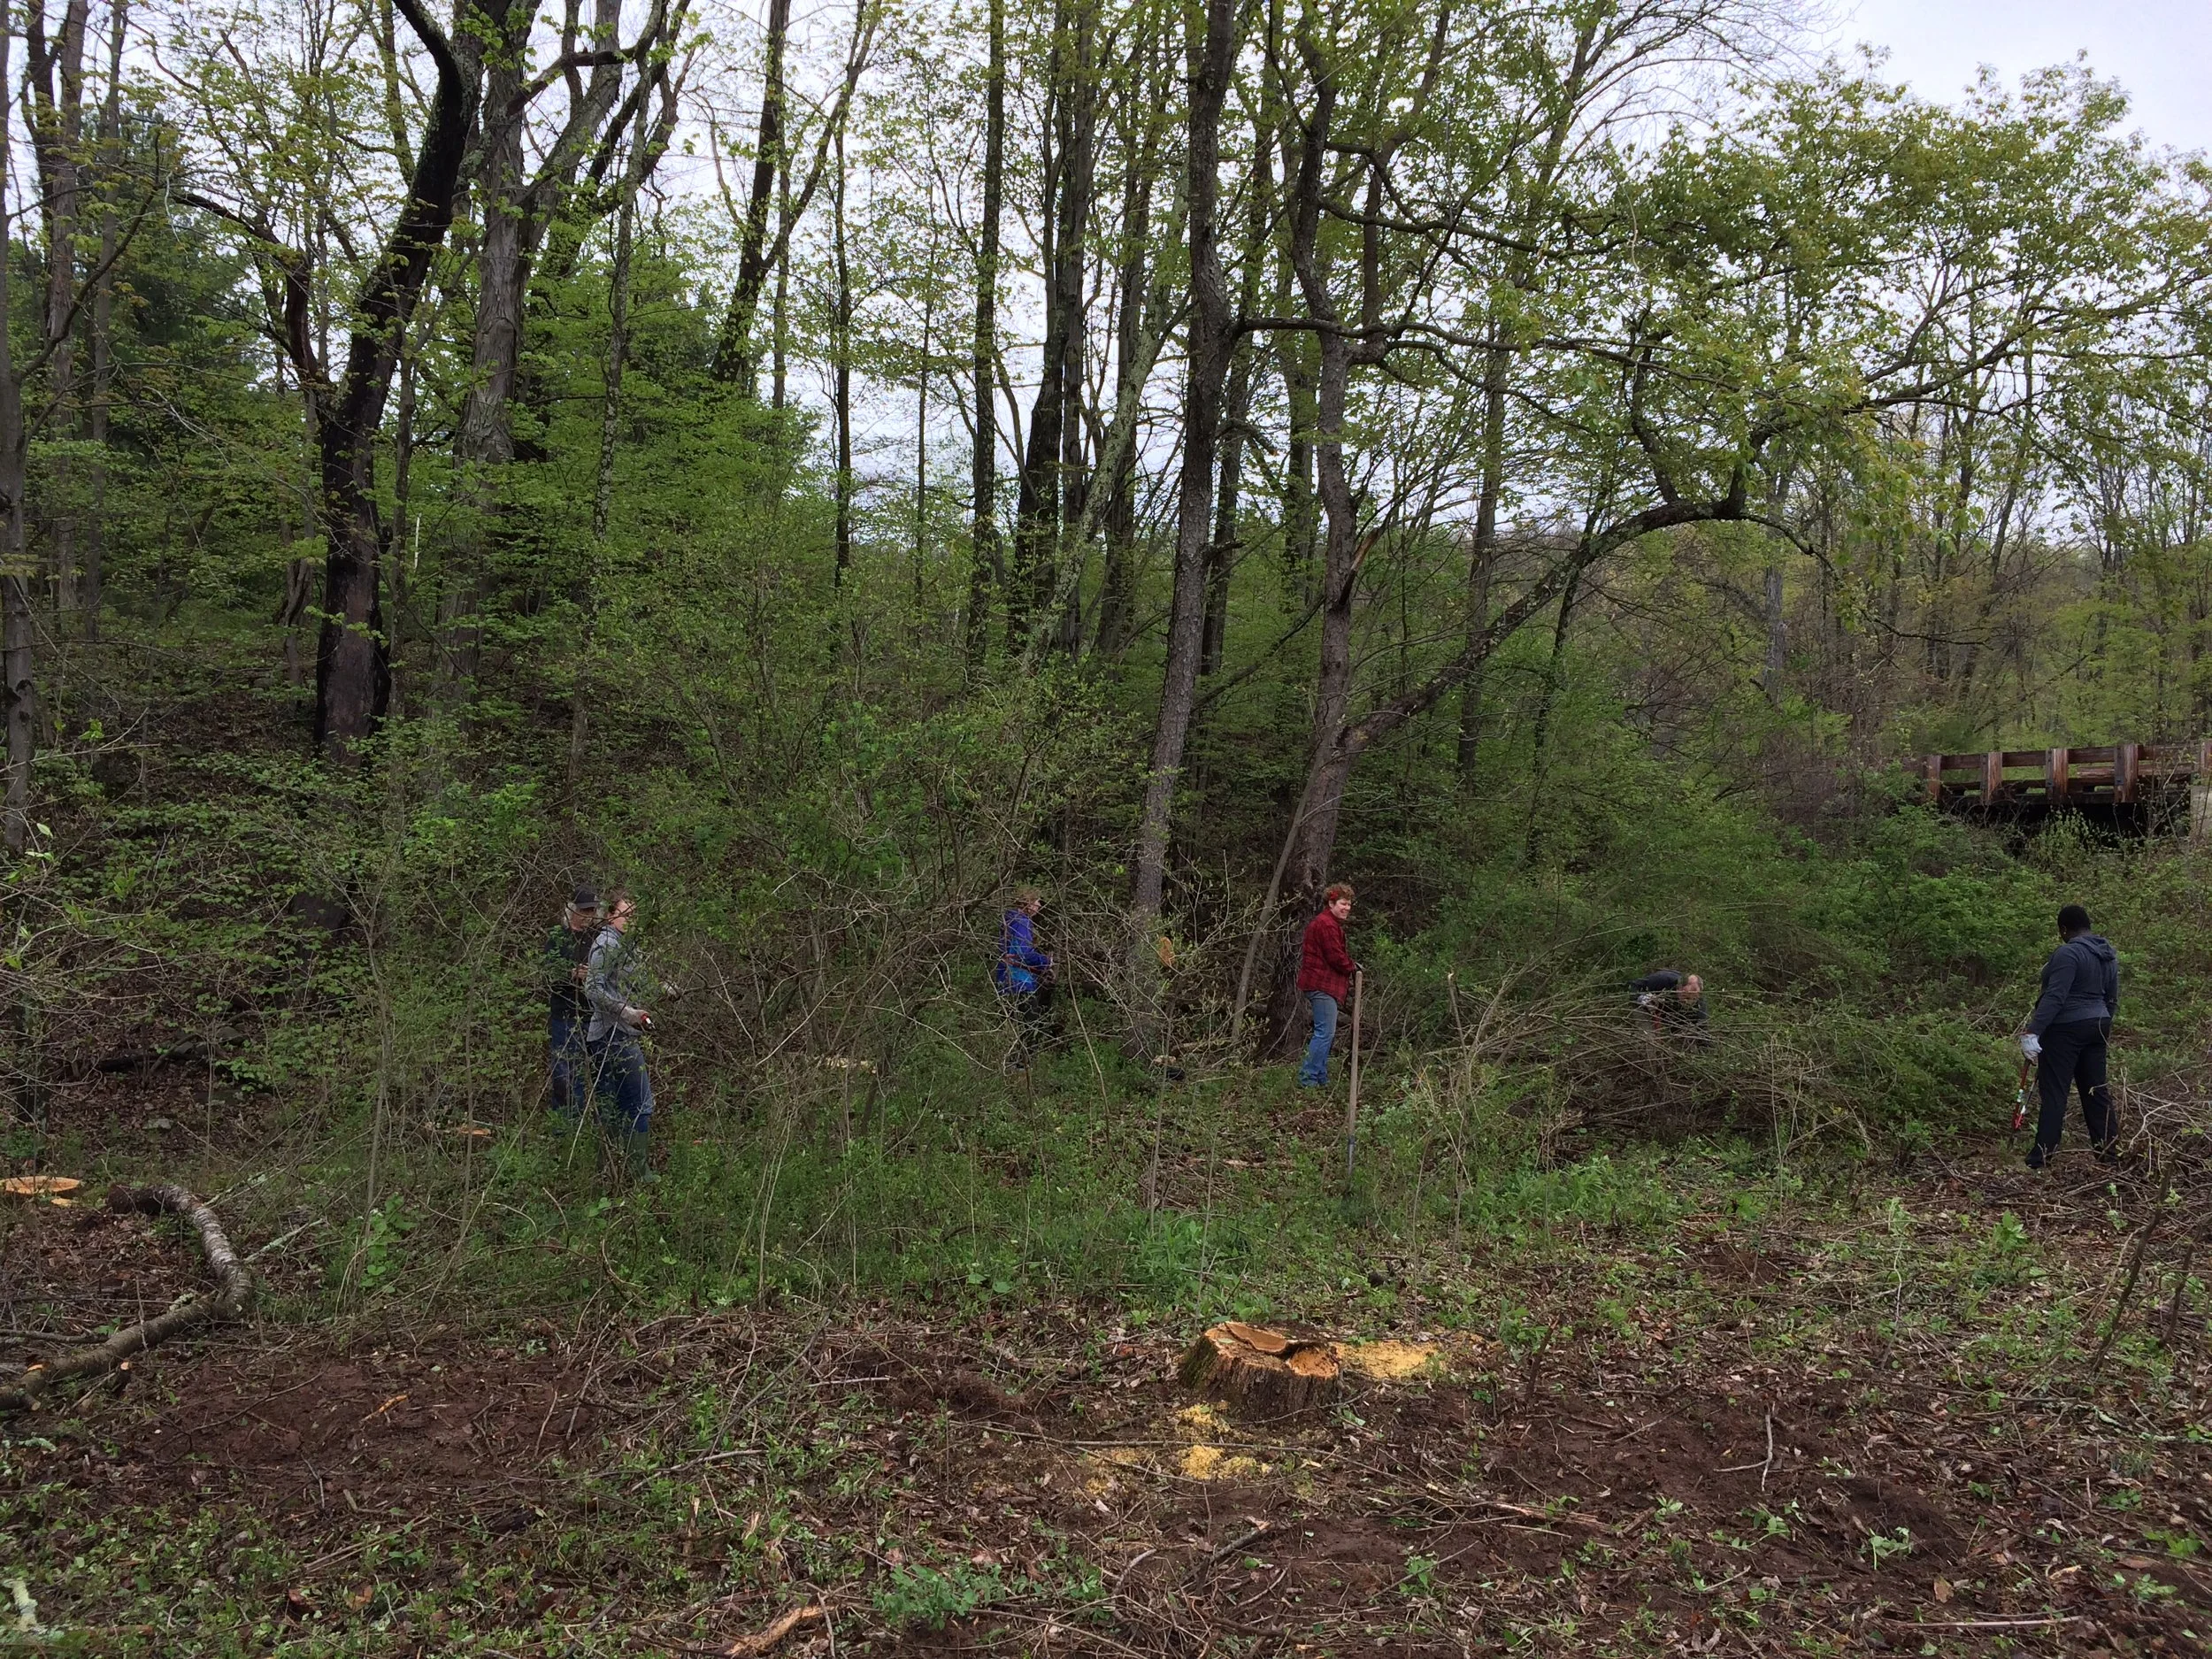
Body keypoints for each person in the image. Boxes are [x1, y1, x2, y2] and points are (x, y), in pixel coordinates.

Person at [2020, 902, 2120, 1169]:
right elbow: (2112, 998)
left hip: (2065, 1028)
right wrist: (2102, 1021)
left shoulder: (2068, 953)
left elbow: (2055, 996)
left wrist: (2033, 1031)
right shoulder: (2107, 954)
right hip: (2098, 1025)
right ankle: (2108, 1153)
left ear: (2064, 929)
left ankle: (2040, 1159)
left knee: (2055, 1092)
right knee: (2096, 1091)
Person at [583, 889, 658, 1182]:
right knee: (640, 1100)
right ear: (611, 915)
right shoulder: (605, 945)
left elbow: (636, 985)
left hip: (622, 1033)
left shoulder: (629, 947)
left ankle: (615, 1171)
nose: (630, 920)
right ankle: (638, 1173)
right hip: (611, 1034)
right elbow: (593, 988)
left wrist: (664, 989)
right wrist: (626, 1012)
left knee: (614, 1103)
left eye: (634, 915)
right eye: (625, 914)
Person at [541, 887, 601, 1122]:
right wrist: (571, 974)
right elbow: (548, 975)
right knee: (566, 1076)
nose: (589, 915)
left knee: (600, 1073)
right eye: (585, 910)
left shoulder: (597, 937)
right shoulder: (558, 937)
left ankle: (596, 1126)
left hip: (593, 1015)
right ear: (573, 910)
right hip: (565, 1015)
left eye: (593, 910)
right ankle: (565, 1127)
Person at [1296, 884, 1360, 1088]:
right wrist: (1352, 967)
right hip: (1321, 985)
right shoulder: (1325, 924)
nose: (1347, 908)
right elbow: (1336, 957)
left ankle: (1320, 1078)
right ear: (1331, 903)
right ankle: (1309, 1079)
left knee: (1326, 1032)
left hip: (1323, 985)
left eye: (1349, 904)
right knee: (1324, 1033)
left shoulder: (1330, 924)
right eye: (1343, 903)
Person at [995, 887, 1055, 1052]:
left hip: (1005, 979)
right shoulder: (1021, 921)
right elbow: (1021, 954)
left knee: (1013, 1027)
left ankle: (1010, 1063)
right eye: (1037, 901)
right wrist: (1046, 962)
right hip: (1019, 981)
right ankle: (1021, 1065)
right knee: (1032, 1026)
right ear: (1027, 902)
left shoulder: (1010, 920)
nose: (1039, 905)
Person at [1631, 969, 1709, 1035]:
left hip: (1672, 1017)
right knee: (1648, 1037)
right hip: (1645, 1007)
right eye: (1685, 996)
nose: (1687, 1001)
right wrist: (1642, 998)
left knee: (1687, 1038)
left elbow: (1703, 1030)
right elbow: (1633, 986)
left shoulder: (1700, 1004)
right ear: (1679, 989)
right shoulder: (1662, 979)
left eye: (1693, 999)